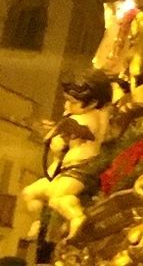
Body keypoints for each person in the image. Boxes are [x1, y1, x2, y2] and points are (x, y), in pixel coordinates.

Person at [19, 72, 115, 243]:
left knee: (58, 198)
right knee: (30, 193)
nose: (67, 106)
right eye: (67, 100)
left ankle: (77, 218)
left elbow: (81, 129)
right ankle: (40, 221)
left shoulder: (91, 118)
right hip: (66, 169)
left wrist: (59, 129)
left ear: (92, 103)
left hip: (82, 168)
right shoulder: (77, 116)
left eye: (73, 102)